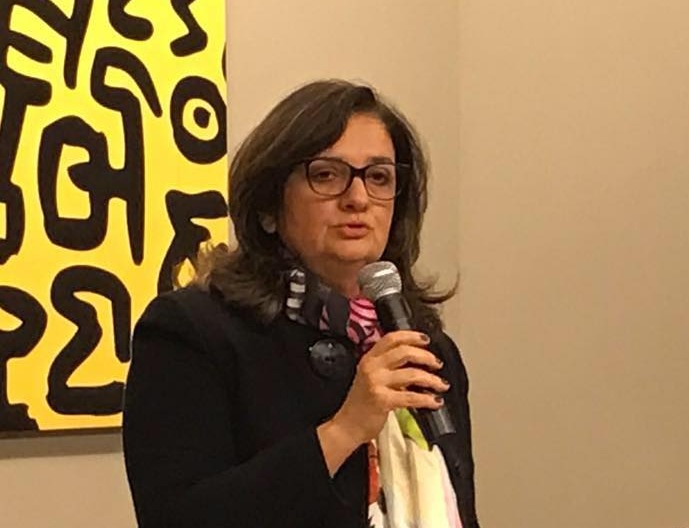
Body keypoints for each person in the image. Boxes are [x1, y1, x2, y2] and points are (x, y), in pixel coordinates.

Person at [122, 79, 480, 527]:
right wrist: (345, 430)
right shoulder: (191, 332)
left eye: (378, 177)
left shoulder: (425, 349)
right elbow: (178, 519)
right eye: (326, 175)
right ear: (269, 206)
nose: (358, 199)